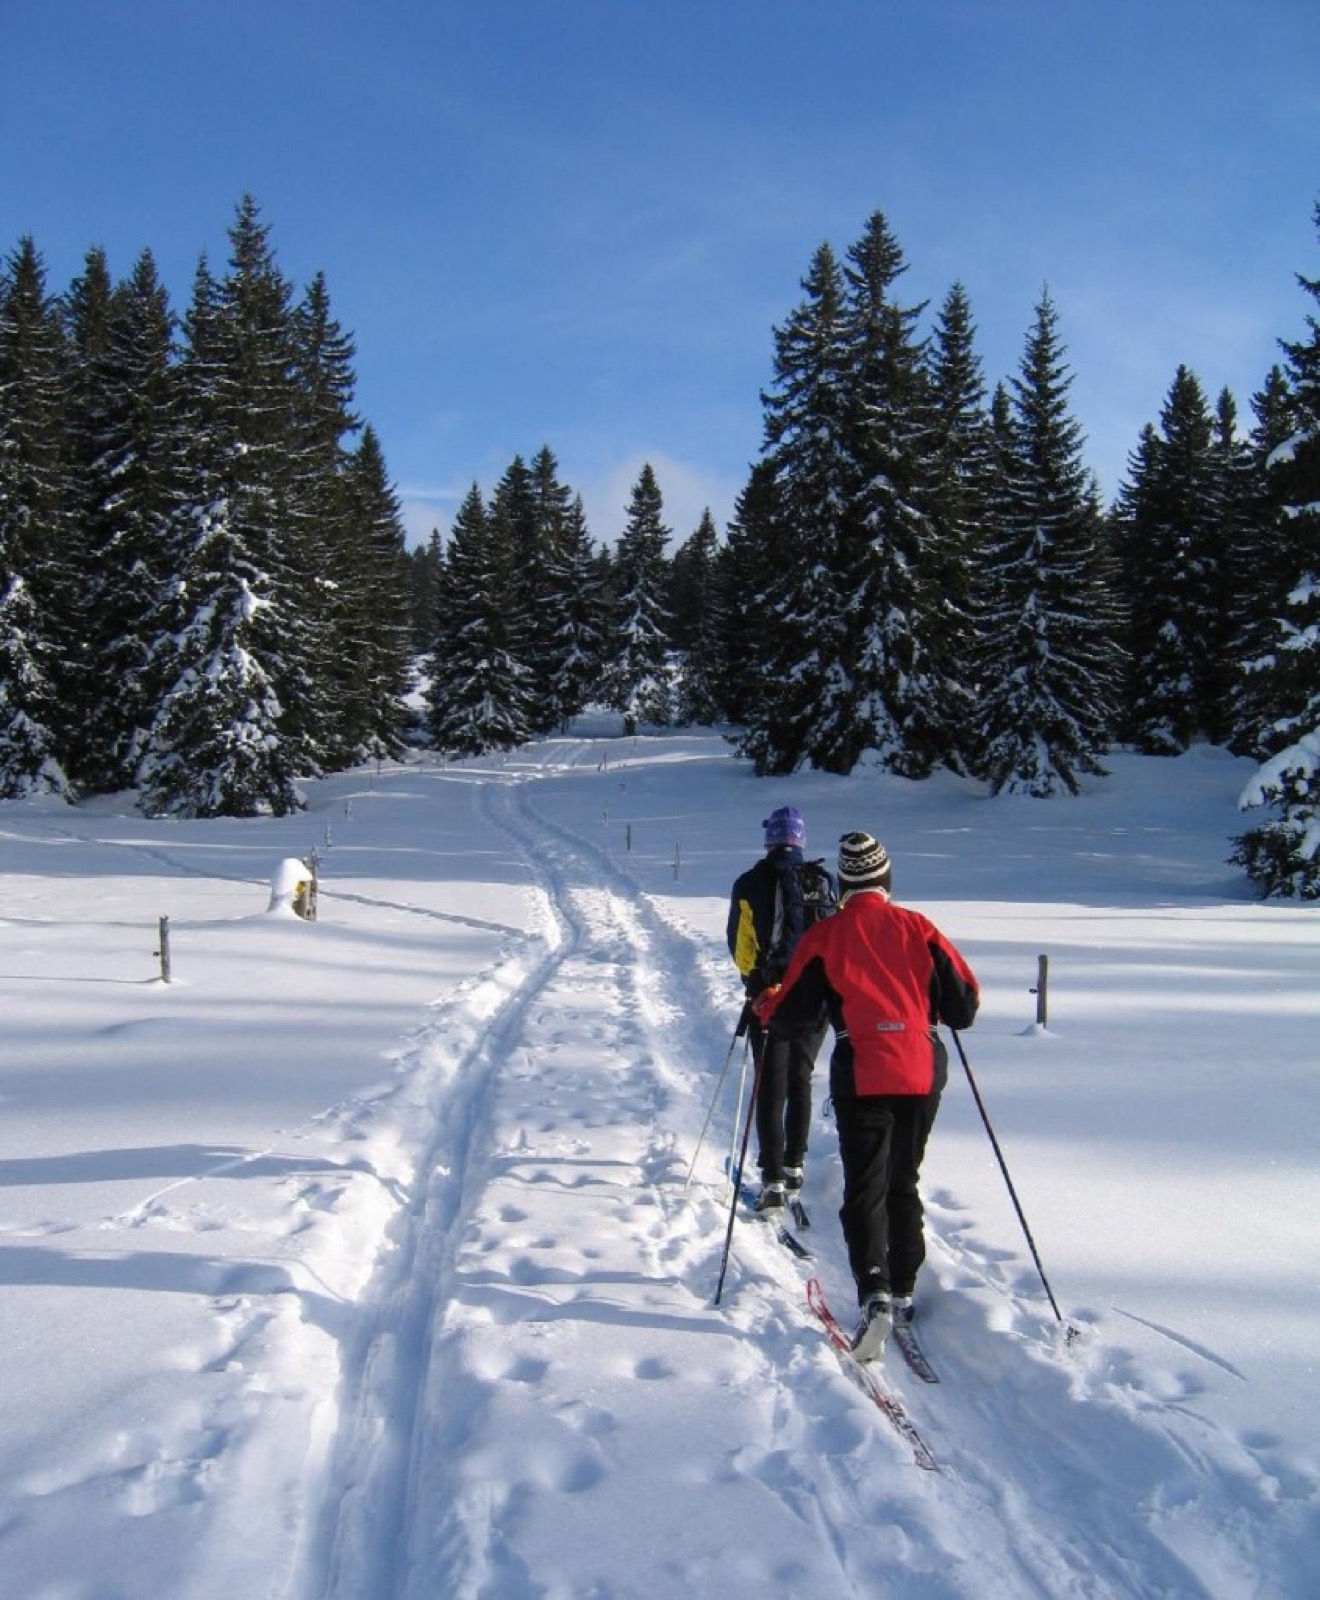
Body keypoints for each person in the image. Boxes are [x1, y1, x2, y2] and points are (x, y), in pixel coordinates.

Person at [754, 831, 979, 1360]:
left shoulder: (828, 936)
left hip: (864, 1070)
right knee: (904, 1179)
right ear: (885, 878)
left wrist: (765, 1003)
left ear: (845, 884)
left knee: (866, 1184)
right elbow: (964, 1006)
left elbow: (791, 1020)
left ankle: (874, 1289)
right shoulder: (919, 928)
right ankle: (903, 1286)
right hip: (922, 1068)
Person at [726, 806, 831, 1213]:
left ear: (769, 839)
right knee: (800, 1077)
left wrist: (753, 984)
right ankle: (794, 1164)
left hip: (769, 995)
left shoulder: (750, 882)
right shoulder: (822, 880)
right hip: (815, 998)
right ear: (801, 840)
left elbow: (741, 944)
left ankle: (771, 1177)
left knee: (770, 1084)